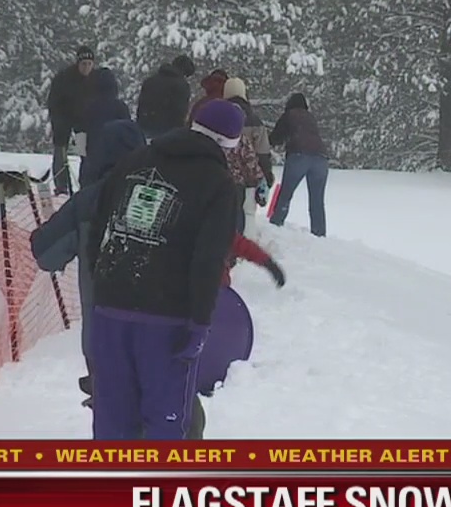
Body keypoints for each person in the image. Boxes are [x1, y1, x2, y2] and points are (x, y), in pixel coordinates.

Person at [85, 99, 242, 441]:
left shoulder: (134, 161)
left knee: (112, 418)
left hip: (111, 307)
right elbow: (207, 260)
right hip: (166, 317)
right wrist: (200, 322)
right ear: (229, 144)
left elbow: (97, 228)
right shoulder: (217, 183)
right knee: (165, 423)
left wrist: (102, 284)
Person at [30, 118, 147, 396]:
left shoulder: (86, 202)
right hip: (158, 336)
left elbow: (46, 254)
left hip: (102, 340)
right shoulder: (158, 196)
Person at [268, 93, 329, 236]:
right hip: (321, 158)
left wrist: (267, 145)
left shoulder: (289, 115)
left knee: (286, 194)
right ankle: (319, 233)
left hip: (299, 155)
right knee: (317, 201)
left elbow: (276, 137)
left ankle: (276, 224)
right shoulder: (311, 117)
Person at [218, 77, 267, 235]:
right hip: (240, 180)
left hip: (215, 175)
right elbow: (259, 154)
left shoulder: (215, 116)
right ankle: (237, 242)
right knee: (241, 212)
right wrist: (262, 178)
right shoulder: (253, 121)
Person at [47, 46, 97, 194]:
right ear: (78, 63)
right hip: (63, 119)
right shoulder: (64, 78)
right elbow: (53, 102)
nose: (86, 67)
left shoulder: (95, 80)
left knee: (85, 153)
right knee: (60, 152)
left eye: (89, 64)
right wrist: (59, 121)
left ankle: (85, 183)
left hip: (83, 123)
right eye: (83, 64)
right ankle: (61, 185)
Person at [77, 68, 132, 189]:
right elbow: (129, 135)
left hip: (93, 163)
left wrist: (84, 158)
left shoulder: (87, 107)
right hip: (116, 165)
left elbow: (80, 135)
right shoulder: (120, 107)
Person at [136, 55, 196, 141]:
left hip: (144, 127)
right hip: (166, 132)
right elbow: (179, 112)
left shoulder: (150, 80)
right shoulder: (181, 85)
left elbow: (141, 104)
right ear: (184, 72)